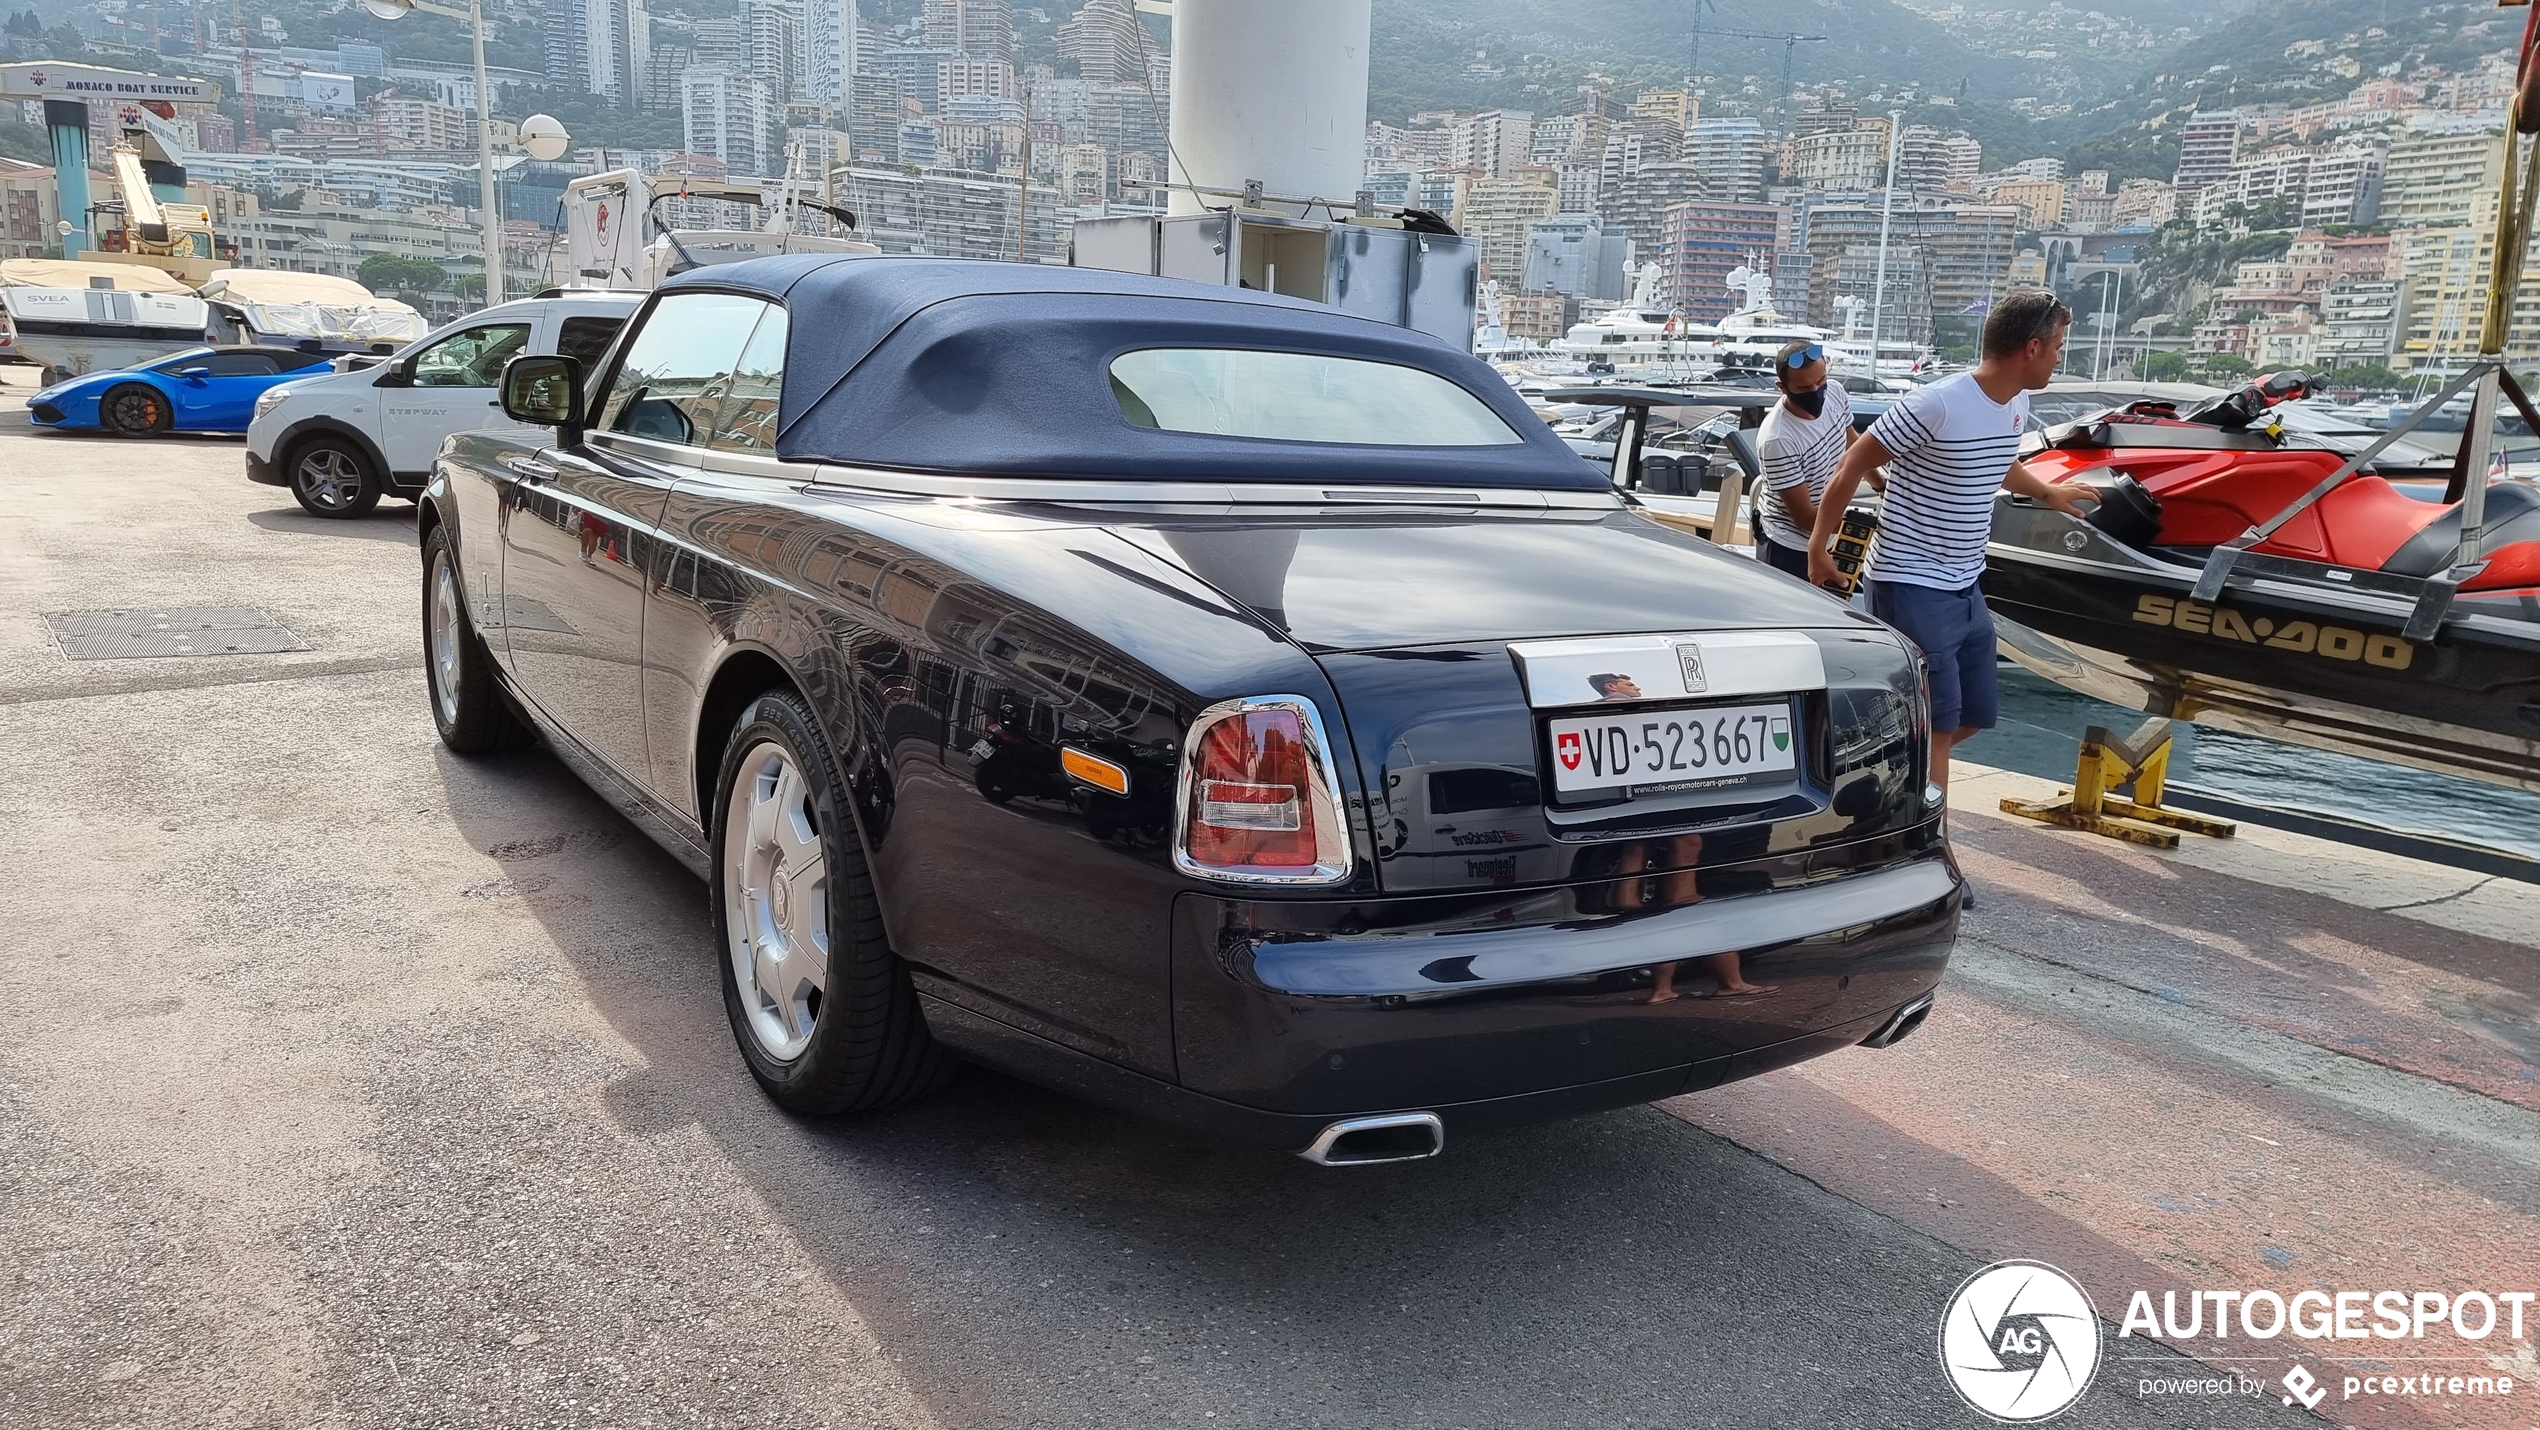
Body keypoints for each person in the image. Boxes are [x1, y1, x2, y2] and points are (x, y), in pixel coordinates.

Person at [1805, 290, 2097, 793]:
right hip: (1910, 580)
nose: (2058, 358)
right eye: (2058, 348)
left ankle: (1872, 777)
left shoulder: (2013, 401)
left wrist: (2047, 491)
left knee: (1973, 715)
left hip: (1965, 584)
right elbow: (1854, 462)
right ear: (2032, 347)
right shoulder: (1936, 404)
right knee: (1935, 729)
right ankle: (1931, 842)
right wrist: (1818, 546)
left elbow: (1999, 458)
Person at [1753, 340, 1854, 579]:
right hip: (1788, 547)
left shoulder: (1836, 393)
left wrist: (1880, 484)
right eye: (1803, 388)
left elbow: (1854, 444)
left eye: (1820, 382)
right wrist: (1858, 528)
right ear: (1782, 386)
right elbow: (1804, 517)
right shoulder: (1777, 439)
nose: (1815, 392)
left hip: (1827, 532)